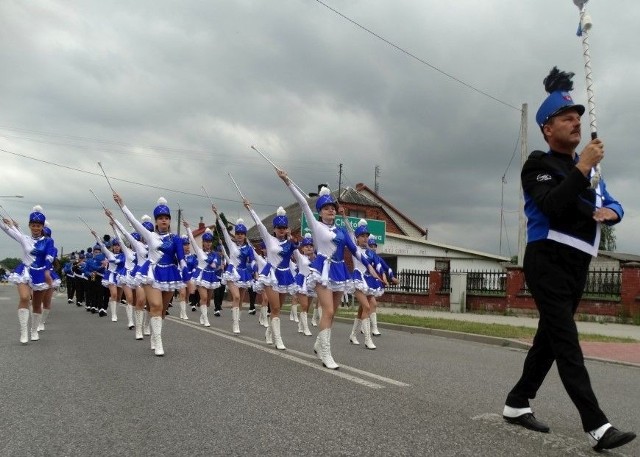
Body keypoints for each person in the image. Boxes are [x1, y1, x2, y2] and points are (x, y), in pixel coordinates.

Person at [502, 67, 635, 452]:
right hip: (547, 259)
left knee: (548, 340)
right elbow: (554, 206)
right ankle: (596, 426)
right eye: (566, 119)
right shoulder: (538, 165)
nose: (576, 123)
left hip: (578, 263)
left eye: (578, 119)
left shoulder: (592, 173)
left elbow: (611, 200)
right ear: (547, 127)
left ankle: (516, 402)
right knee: (566, 341)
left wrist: (614, 212)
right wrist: (582, 166)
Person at [276, 171, 381, 369]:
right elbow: (304, 203)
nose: (330, 211)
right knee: (328, 310)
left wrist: (370, 267)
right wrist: (287, 181)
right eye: (326, 208)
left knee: (333, 313)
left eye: (332, 207)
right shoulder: (316, 226)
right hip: (322, 269)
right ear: (320, 211)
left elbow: (354, 250)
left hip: (339, 271)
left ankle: (318, 344)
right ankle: (326, 353)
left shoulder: (341, 231)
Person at [114, 193, 185, 356]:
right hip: (151, 273)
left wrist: (186, 275)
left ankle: (154, 335)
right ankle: (159, 342)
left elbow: (181, 258)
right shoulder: (149, 235)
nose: (163, 220)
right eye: (160, 218)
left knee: (163, 310)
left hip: (170, 273)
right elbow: (133, 222)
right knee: (156, 305)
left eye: (166, 217)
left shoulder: (176, 238)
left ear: (170, 220)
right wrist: (122, 205)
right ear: (156, 221)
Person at [243, 201, 297, 350]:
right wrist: (250, 209)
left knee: (277, 309)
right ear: (274, 229)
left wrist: (291, 237)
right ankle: (278, 339)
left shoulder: (290, 242)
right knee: (275, 306)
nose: (281, 230)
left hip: (285, 275)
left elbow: (296, 248)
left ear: (287, 229)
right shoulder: (269, 239)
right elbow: (259, 224)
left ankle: (269, 333)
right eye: (279, 227)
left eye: (284, 227)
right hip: (271, 274)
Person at [1, 206, 54, 343]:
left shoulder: (48, 241)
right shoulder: (24, 238)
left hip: (41, 273)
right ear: (30, 226)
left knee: (37, 305)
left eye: (38, 226)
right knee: (24, 297)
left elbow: (50, 256)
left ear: (42, 226)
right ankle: (23, 332)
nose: (36, 228)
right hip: (24, 271)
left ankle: (34, 330)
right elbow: (8, 230)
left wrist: (47, 270)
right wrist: (4, 223)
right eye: (33, 225)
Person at [211, 206, 255, 334]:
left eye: (242, 234)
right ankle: (235, 324)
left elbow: (252, 260)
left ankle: (237, 318)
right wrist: (217, 215)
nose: (240, 236)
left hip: (244, 273)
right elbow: (224, 229)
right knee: (236, 296)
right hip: (232, 271)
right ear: (235, 235)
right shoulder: (231, 244)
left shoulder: (249, 248)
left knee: (240, 299)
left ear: (245, 235)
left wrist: (254, 270)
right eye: (238, 234)